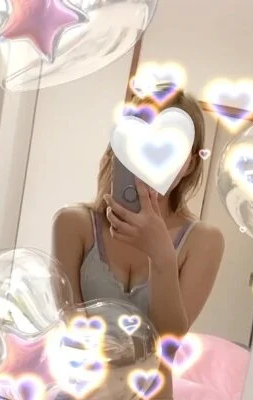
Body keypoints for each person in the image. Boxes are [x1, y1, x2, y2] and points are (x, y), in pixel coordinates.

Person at [51, 85, 225, 399]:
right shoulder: (73, 224)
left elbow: (169, 340)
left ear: (190, 163)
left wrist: (162, 256)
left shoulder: (203, 241)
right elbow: (71, 321)